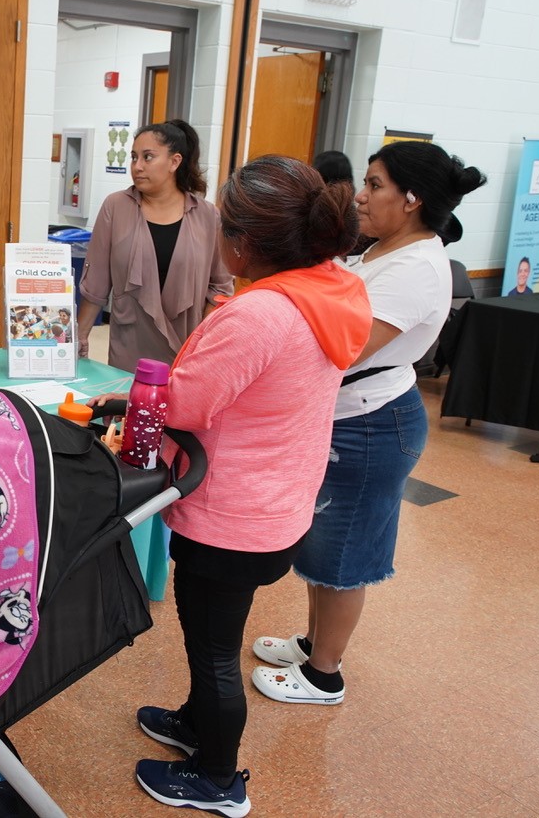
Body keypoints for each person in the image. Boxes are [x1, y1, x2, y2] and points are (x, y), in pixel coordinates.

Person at [96, 156, 372, 817]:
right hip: (277, 505)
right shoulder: (329, 290)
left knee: (214, 649)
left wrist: (132, 400)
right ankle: (195, 721)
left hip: (231, 516)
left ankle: (220, 778)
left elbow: (186, 405)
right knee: (216, 631)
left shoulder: (261, 315)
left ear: (243, 243)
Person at [251, 141, 487, 709]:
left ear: (411, 199)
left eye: (375, 184)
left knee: (345, 554)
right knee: (323, 546)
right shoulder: (382, 250)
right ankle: (312, 644)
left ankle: (324, 674)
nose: (361, 194)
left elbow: (346, 348)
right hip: (348, 418)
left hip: (373, 424)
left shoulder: (416, 268)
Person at [76, 119, 233, 371]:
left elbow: (220, 287)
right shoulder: (116, 206)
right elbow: (96, 282)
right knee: (127, 405)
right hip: (130, 342)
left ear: (174, 162)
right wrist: (80, 337)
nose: (137, 167)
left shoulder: (207, 215)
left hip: (185, 346)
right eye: (134, 157)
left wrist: (201, 344)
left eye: (148, 157)